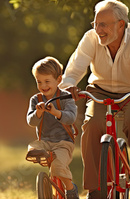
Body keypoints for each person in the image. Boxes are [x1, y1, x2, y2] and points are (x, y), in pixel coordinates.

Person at [59, 0, 130, 198]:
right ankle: (94, 189)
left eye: (104, 24)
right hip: (100, 90)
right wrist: (68, 85)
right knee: (92, 126)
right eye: (96, 24)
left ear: (121, 24)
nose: (98, 29)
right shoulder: (91, 38)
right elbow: (75, 66)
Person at [26, 56, 79, 199]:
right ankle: (40, 155)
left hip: (63, 142)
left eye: (47, 81)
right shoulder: (36, 99)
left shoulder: (66, 97)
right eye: (39, 82)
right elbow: (31, 121)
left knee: (57, 165)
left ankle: (70, 189)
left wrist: (55, 112)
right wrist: (38, 112)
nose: (43, 86)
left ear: (59, 80)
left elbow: (71, 118)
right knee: (33, 146)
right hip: (45, 141)